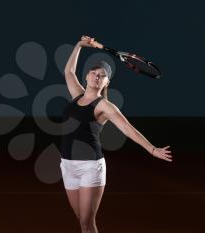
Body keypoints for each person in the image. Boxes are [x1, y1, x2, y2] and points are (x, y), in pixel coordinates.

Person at [59, 35, 173, 233]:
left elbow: (128, 129)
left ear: (106, 82)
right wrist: (79, 45)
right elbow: (68, 72)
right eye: (94, 72)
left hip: (90, 167)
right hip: (67, 165)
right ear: (86, 76)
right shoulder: (76, 94)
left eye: (102, 75)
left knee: (87, 221)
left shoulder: (104, 106)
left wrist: (151, 149)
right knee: (80, 219)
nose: (96, 76)